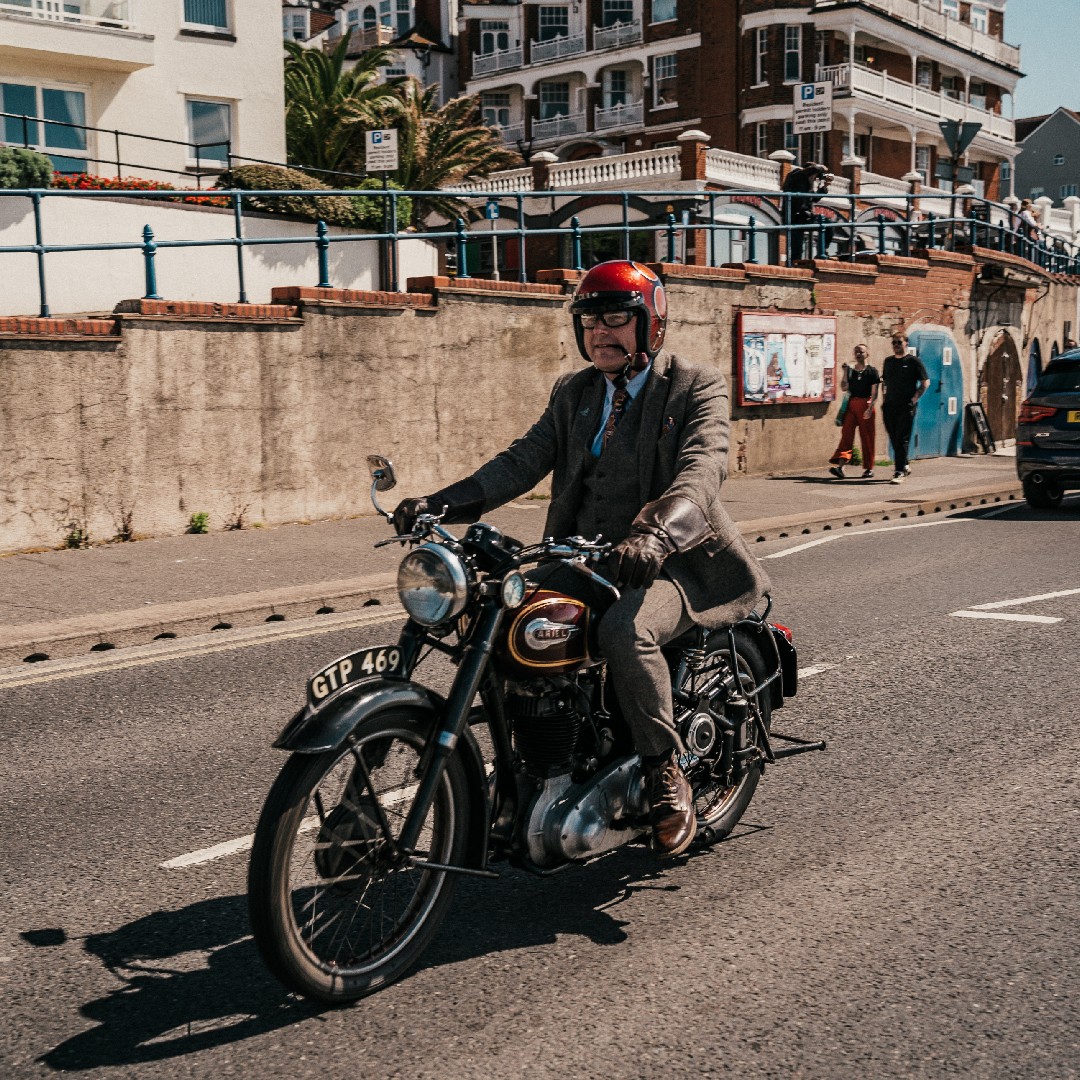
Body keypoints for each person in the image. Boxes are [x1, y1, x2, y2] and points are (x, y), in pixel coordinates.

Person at [392, 260, 770, 857]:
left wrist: (655, 534)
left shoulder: (695, 386)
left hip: (674, 561)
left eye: (618, 318)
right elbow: (520, 461)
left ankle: (663, 774)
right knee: (492, 613)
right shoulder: (575, 392)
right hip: (584, 556)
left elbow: (703, 470)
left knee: (626, 629)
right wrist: (440, 503)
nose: (601, 332)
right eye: (589, 320)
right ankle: (529, 768)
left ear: (653, 324)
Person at [880, 332, 930, 484]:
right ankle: (905, 463)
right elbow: (885, 382)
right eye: (894, 343)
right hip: (889, 406)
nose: (896, 345)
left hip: (905, 406)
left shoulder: (914, 361)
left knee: (902, 438)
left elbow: (925, 382)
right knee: (894, 437)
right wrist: (884, 399)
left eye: (899, 342)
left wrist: (915, 398)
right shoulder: (888, 361)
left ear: (906, 343)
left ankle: (899, 471)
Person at [828, 344, 880, 479]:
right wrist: (845, 371)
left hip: (866, 405)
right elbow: (844, 387)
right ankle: (840, 467)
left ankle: (869, 468)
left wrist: (870, 407)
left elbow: (874, 392)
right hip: (852, 404)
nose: (858, 354)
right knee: (846, 434)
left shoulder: (872, 371)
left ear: (867, 354)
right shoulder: (851, 371)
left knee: (867, 437)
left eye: (861, 352)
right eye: (856, 351)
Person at [781, 162, 831, 261]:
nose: (814, 178)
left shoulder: (809, 184)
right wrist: (820, 168)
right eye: (814, 176)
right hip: (793, 217)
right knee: (797, 249)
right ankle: (794, 267)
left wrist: (824, 187)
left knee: (829, 225)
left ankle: (822, 251)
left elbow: (813, 199)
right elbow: (805, 172)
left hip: (805, 217)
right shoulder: (796, 175)